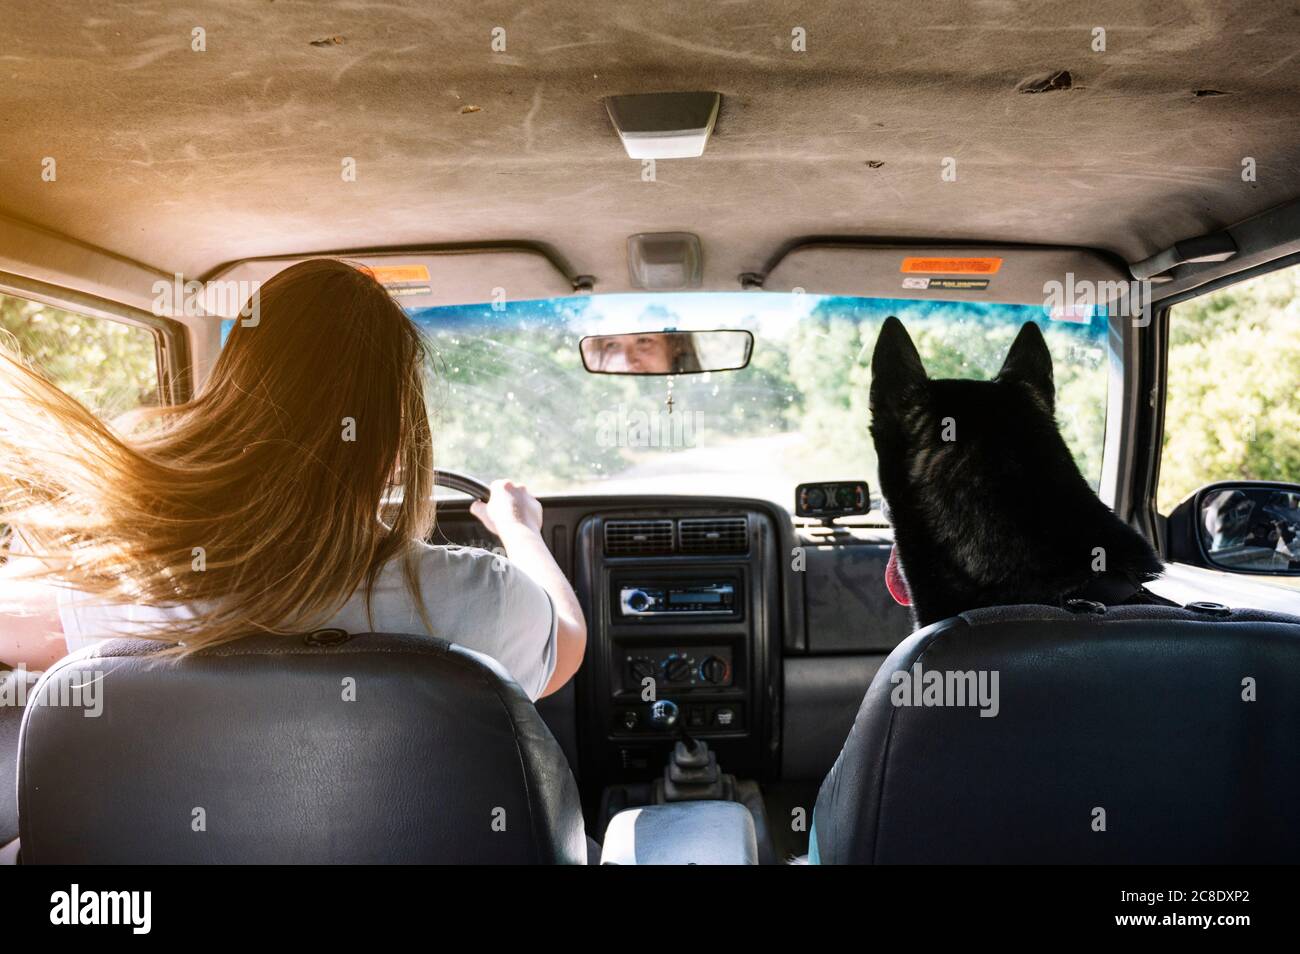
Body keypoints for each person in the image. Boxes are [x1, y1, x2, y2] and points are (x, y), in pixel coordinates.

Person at [0, 259, 585, 700]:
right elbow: (566, 644)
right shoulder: (480, 599)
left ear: (229, 401)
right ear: (397, 437)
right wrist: (521, 530)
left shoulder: (121, 590)